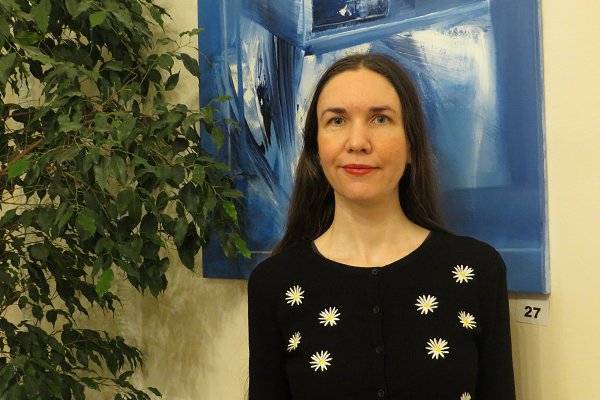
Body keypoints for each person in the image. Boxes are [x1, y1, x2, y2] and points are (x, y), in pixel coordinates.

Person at [247, 53, 515, 400]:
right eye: (337, 121)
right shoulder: (274, 284)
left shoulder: (477, 271)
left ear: (411, 146)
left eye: (380, 119)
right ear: (316, 147)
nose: (358, 142)